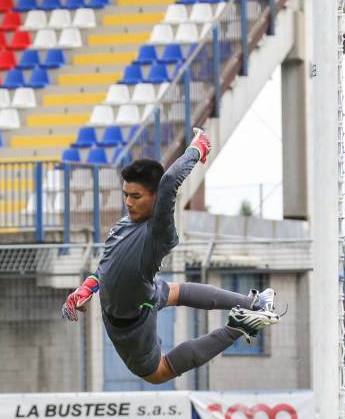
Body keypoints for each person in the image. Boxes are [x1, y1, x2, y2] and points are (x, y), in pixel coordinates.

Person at [62, 129, 283, 384]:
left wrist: (196, 149)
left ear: (155, 198)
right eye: (126, 195)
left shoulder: (159, 231)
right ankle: (252, 304)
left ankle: (237, 327)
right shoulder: (124, 224)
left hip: (131, 321)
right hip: (146, 292)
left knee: (158, 373)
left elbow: (169, 183)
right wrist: (85, 289)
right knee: (177, 291)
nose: (129, 202)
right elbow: (106, 267)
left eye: (136, 196)